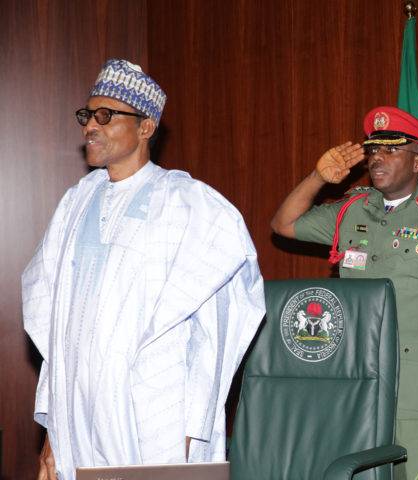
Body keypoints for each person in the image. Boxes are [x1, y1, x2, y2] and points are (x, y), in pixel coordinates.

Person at [22, 59, 266, 480]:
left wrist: (197, 425)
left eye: (105, 116)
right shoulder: (75, 202)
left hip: (156, 413)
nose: (89, 128)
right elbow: (53, 325)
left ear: (146, 127)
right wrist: (52, 431)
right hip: (78, 413)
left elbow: (219, 326)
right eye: (87, 116)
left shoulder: (190, 204)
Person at [271, 106, 418, 480]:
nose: (377, 159)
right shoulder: (354, 211)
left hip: (417, 397)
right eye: (373, 151)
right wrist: (317, 178)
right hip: (355, 389)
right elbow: (283, 224)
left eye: (390, 151)